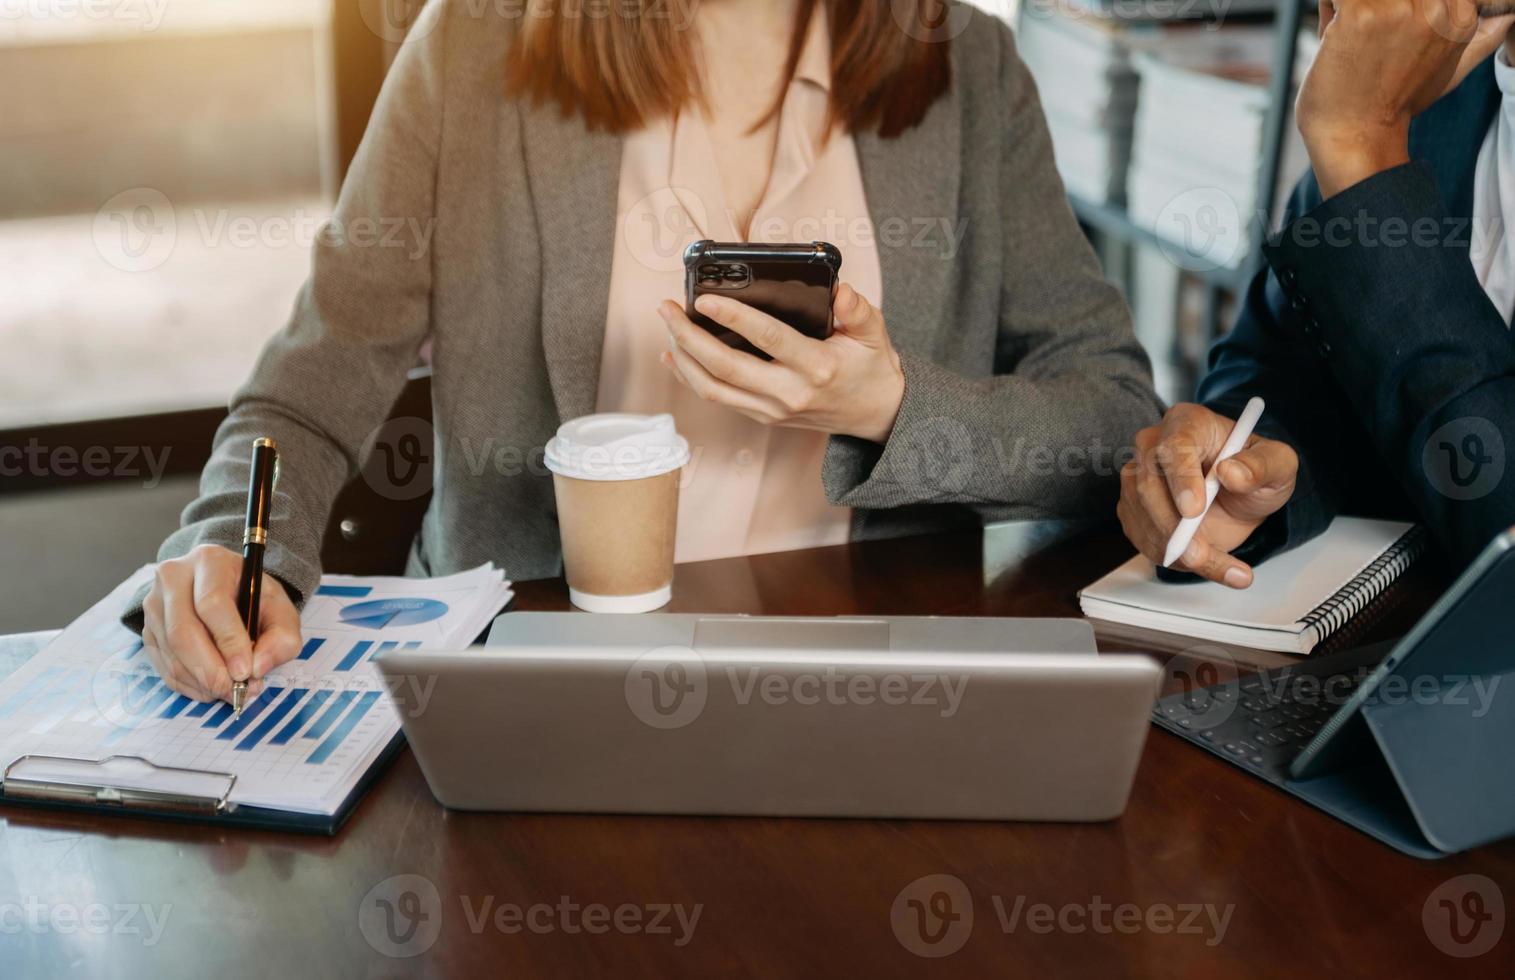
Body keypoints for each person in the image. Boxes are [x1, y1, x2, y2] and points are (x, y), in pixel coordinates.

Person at [133, 0, 1163, 702]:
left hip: (865, 692)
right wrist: (233, 539)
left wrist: (892, 409)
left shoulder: (969, 66)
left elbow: (1113, 415)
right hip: (532, 687)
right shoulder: (474, 46)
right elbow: (306, 393)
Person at [1119, 0, 1515, 587]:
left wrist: (1363, 142)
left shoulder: (1390, 105)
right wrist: (1248, 468)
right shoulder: (1440, 77)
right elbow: (1285, 364)